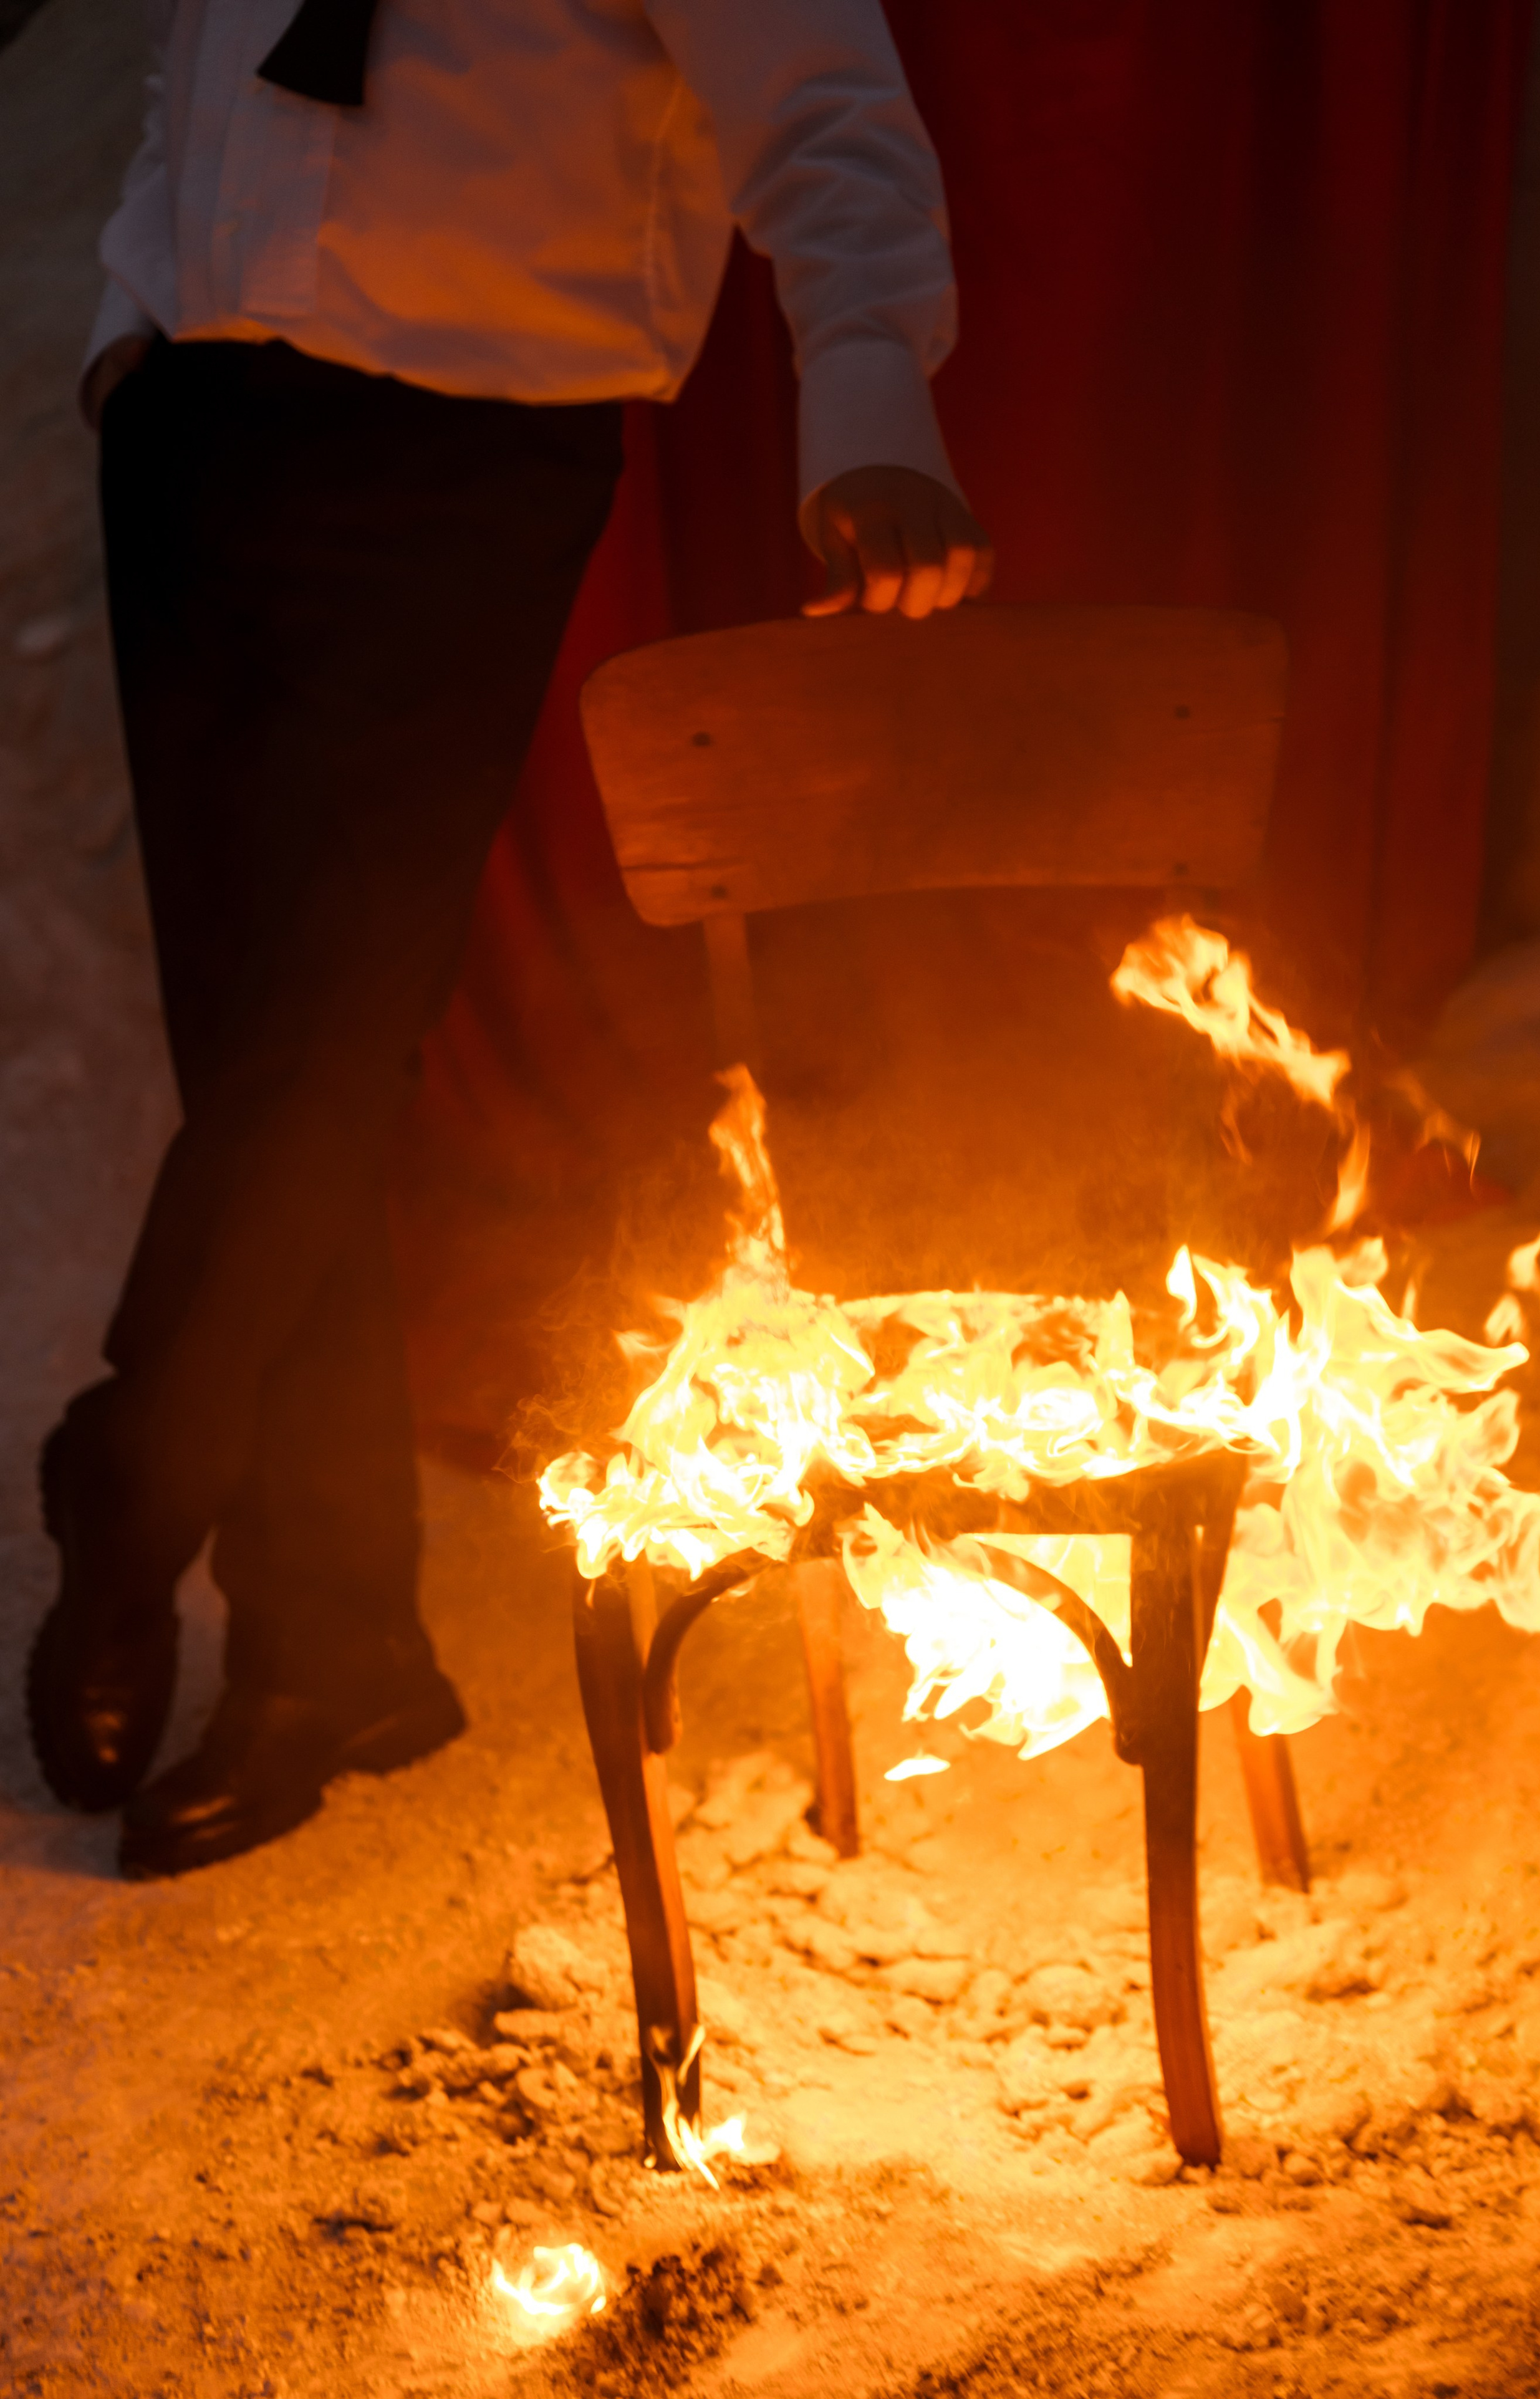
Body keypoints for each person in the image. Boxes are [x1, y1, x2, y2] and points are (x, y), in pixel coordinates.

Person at [28, 0, 993, 1878]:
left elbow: (823, 96)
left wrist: (871, 386)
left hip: (474, 452)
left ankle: (130, 1485)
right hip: (197, 425)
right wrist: (133, 333)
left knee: (329, 1035)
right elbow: (202, 58)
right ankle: (338, 1644)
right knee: (254, 1060)